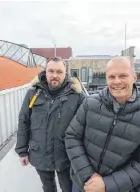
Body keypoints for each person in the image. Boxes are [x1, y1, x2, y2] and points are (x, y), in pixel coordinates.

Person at [65, 56, 140, 192]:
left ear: (134, 78)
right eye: (112, 77)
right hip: (83, 184)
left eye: (123, 76)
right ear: (106, 79)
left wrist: (106, 185)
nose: (117, 81)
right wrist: (89, 176)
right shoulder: (89, 104)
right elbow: (71, 137)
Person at [15, 57, 85, 192]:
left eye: (59, 72)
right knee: (48, 188)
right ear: (45, 72)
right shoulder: (33, 93)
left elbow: (85, 125)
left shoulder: (76, 96)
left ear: (66, 73)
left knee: (68, 188)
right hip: (40, 154)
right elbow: (24, 121)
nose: (55, 75)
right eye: (51, 71)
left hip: (65, 156)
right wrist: (22, 151)